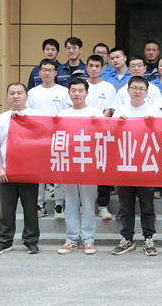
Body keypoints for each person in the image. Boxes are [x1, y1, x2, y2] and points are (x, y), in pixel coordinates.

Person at [0, 83, 42, 255]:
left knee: (31, 208)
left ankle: (31, 241)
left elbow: (44, 135)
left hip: (29, 171)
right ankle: (5, 241)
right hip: (6, 171)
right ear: (7, 97)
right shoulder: (1, 119)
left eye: (19, 93)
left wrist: (23, 119)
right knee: (7, 209)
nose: (16, 96)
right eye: (12, 93)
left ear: (27, 96)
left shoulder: (37, 115)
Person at [111, 76, 162, 256]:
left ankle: (148, 238)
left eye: (141, 89)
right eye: (134, 88)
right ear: (128, 90)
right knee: (126, 206)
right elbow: (111, 137)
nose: (137, 91)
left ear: (147, 92)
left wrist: (153, 125)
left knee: (147, 205)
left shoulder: (155, 111)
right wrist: (117, 125)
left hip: (146, 165)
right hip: (124, 164)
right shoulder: (119, 111)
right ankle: (127, 238)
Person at [57, 79, 104, 255]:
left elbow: (104, 137)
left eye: (80, 90)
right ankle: (71, 239)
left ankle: (89, 239)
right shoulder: (62, 114)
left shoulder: (95, 113)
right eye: (73, 90)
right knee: (70, 202)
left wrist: (97, 125)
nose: (77, 94)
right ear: (69, 93)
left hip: (89, 163)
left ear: (87, 93)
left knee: (88, 203)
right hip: (68, 163)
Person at [26, 59, 70, 219]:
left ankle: (59, 205)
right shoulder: (32, 93)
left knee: (58, 171)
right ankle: (39, 204)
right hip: (38, 137)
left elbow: (68, 114)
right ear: (39, 72)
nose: (47, 73)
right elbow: (27, 114)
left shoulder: (64, 91)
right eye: (44, 70)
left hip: (58, 136)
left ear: (56, 73)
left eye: (51, 70)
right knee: (39, 172)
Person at [82, 55, 117, 219]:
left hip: (103, 133)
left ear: (103, 68)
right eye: (91, 65)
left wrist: (98, 126)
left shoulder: (109, 87)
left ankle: (103, 206)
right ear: (86, 67)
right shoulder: (81, 85)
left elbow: (108, 111)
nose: (94, 69)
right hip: (83, 134)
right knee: (85, 170)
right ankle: (84, 205)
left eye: (97, 66)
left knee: (103, 169)